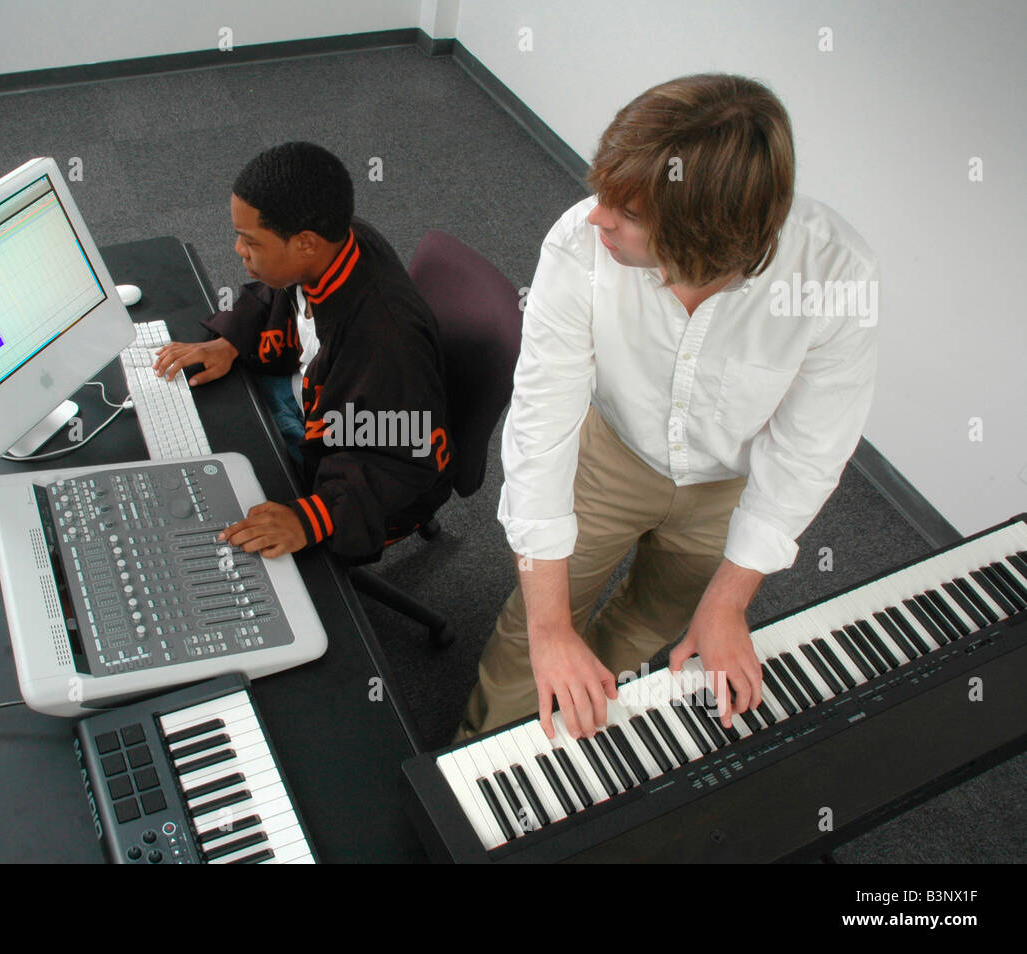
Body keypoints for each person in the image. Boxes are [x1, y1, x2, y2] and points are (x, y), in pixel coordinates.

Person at [457, 73, 879, 742]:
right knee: (532, 633)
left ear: (699, 238)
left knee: (647, 623)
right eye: (604, 194)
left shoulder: (835, 276)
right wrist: (550, 631)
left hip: (728, 489)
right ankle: (476, 761)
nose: (597, 215)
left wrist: (729, 601)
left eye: (626, 214)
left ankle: (574, 742)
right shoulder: (579, 244)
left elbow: (809, 450)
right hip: (607, 456)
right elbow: (540, 424)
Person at [153, 141, 456, 563]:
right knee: (204, 426)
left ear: (306, 244)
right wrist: (232, 340)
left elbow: (403, 459)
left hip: (365, 467)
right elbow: (283, 297)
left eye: (250, 241)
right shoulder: (337, 244)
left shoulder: (385, 341)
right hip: (319, 398)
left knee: (212, 519)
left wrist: (310, 517)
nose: (239, 250)